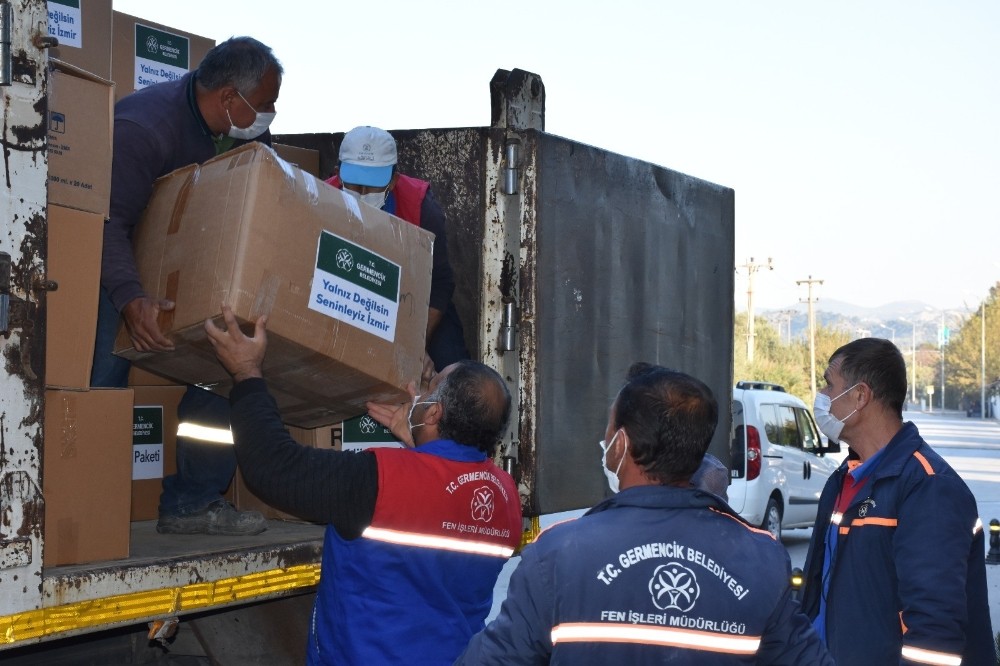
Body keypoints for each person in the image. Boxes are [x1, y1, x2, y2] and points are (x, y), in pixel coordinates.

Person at [203, 305, 522, 665]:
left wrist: (246, 372)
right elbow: (443, 510)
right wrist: (422, 448)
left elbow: (274, 467)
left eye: (429, 389)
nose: (417, 394)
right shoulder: (506, 496)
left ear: (434, 414)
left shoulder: (380, 478)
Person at [457, 362, 833, 665]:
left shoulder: (558, 554)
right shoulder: (762, 559)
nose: (605, 439)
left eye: (609, 427)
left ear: (621, 444)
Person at [92, 37, 283, 536]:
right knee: (101, 382)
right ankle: (83, 512)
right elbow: (106, 225)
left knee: (229, 363)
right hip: (120, 267)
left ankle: (192, 503)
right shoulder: (145, 128)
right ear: (228, 97)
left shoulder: (250, 134)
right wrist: (130, 300)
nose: (270, 115)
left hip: (198, 268)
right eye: (265, 104)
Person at [800, 337, 993, 665]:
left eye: (829, 384)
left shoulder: (929, 487)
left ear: (860, 396)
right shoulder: (844, 479)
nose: (822, 395)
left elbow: (934, 632)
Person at [324, 126, 469, 372]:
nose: (362, 194)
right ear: (338, 174)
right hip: (346, 295)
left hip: (414, 301)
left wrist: (416, 345)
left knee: (453, 369)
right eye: (355, 184)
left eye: (372, 185)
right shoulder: (321, 198)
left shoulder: (421, 209)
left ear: (393, 180)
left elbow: (440, 283)